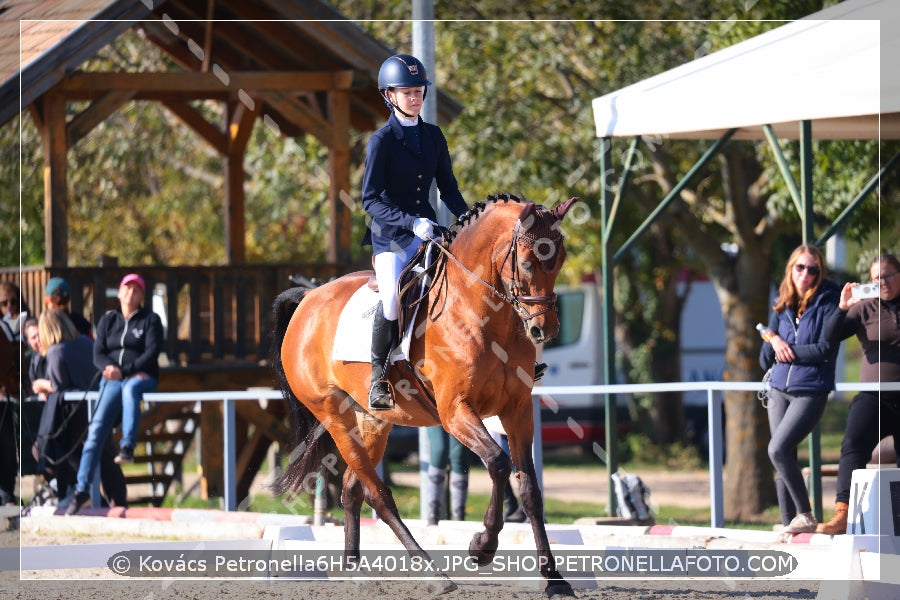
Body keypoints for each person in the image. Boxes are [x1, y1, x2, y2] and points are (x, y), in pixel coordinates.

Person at [361, 54, 470, 410]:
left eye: (418, 91)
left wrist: (469, 219)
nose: (415, 97)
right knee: (392, 297)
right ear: (389, 96)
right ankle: (378, 379)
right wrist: (411, 222)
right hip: (391, 235)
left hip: (429, 230)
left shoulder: (434, 136)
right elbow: (371, 200)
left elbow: (449, 188)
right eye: (406, 92)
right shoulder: (381, 141)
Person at [760, 244, 842, 534]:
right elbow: (764, 359)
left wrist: (787, 346)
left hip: (811, 390)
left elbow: (823, 350)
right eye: (801, 267)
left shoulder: (828, 302)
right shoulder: (780, 304)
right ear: (791, 268)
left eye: (813, 269)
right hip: (778, 389)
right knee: (783, 458)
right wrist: (772, 340)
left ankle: (805, 514)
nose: (806, 273)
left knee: (777, 449)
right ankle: (789, 525)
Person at [817, 253, 900, 535]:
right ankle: (843, 512)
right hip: (874, 396)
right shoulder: (864, 307)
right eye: (876, 277)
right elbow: (828, 338)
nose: (882, 282)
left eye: (888, 275)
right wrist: (842, 307)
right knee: (853, 444)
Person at [67, 273, 162, 515]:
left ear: (141, 296)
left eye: (137, 290)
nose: (131, 293)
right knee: (95, 432)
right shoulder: (108, 320)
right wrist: (110, 370)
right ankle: (82, 491)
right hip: (112, 381)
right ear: (119, 293)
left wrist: (126, 371)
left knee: (131, 388)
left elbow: (151, 353)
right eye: (127, 288)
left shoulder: (150, 320)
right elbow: (98, 353)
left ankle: (128, 444)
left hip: (141, 377)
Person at [35, 309, 127, 509]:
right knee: (106, 457)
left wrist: (40, 384)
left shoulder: (55, 351)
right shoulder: (86, 342)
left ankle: (89, 499)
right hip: (101, 406)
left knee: (54, 453)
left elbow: (57, 386)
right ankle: (118, 504)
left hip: (76, 415)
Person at [425, 426, 470, 524]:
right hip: (434, 411)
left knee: (459, 455)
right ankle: (433, 512)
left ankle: (459, 515)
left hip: (458, 412)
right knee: (439, 451)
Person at [24, 317, 52, 399]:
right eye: (33, 337)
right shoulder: (34, 358)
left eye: (39, 334)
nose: (38, 339)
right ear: (29, 342)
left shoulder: (54, 353)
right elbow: (33, 384)